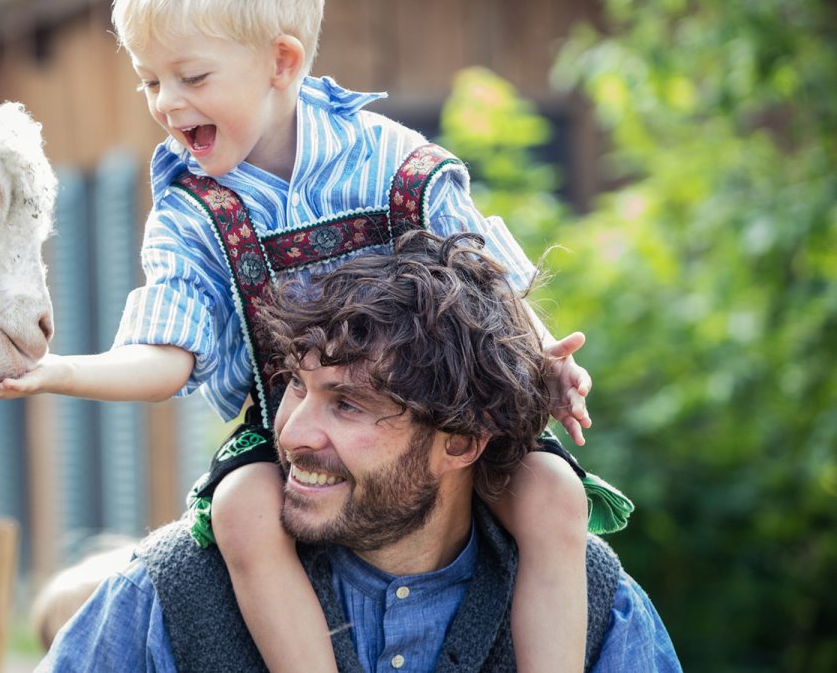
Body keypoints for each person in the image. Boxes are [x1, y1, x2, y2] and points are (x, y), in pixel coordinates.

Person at [0, 0, 630, 673]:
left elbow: (485, 274)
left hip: (428, 423)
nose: (166, 104)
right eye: (150, 80)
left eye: (191, 76)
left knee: (554, 495)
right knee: (242, 510)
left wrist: (544, 356)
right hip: (296, 437)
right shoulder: (194, 209)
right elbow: (165, 354)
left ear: (282, 63)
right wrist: (55, 372)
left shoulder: (394, 159)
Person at [37, 231, 680, 672]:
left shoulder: (601, 610)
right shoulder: (170, 595)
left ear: (460, 440)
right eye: (295, 387)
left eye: (347, 405)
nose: (290, 435)